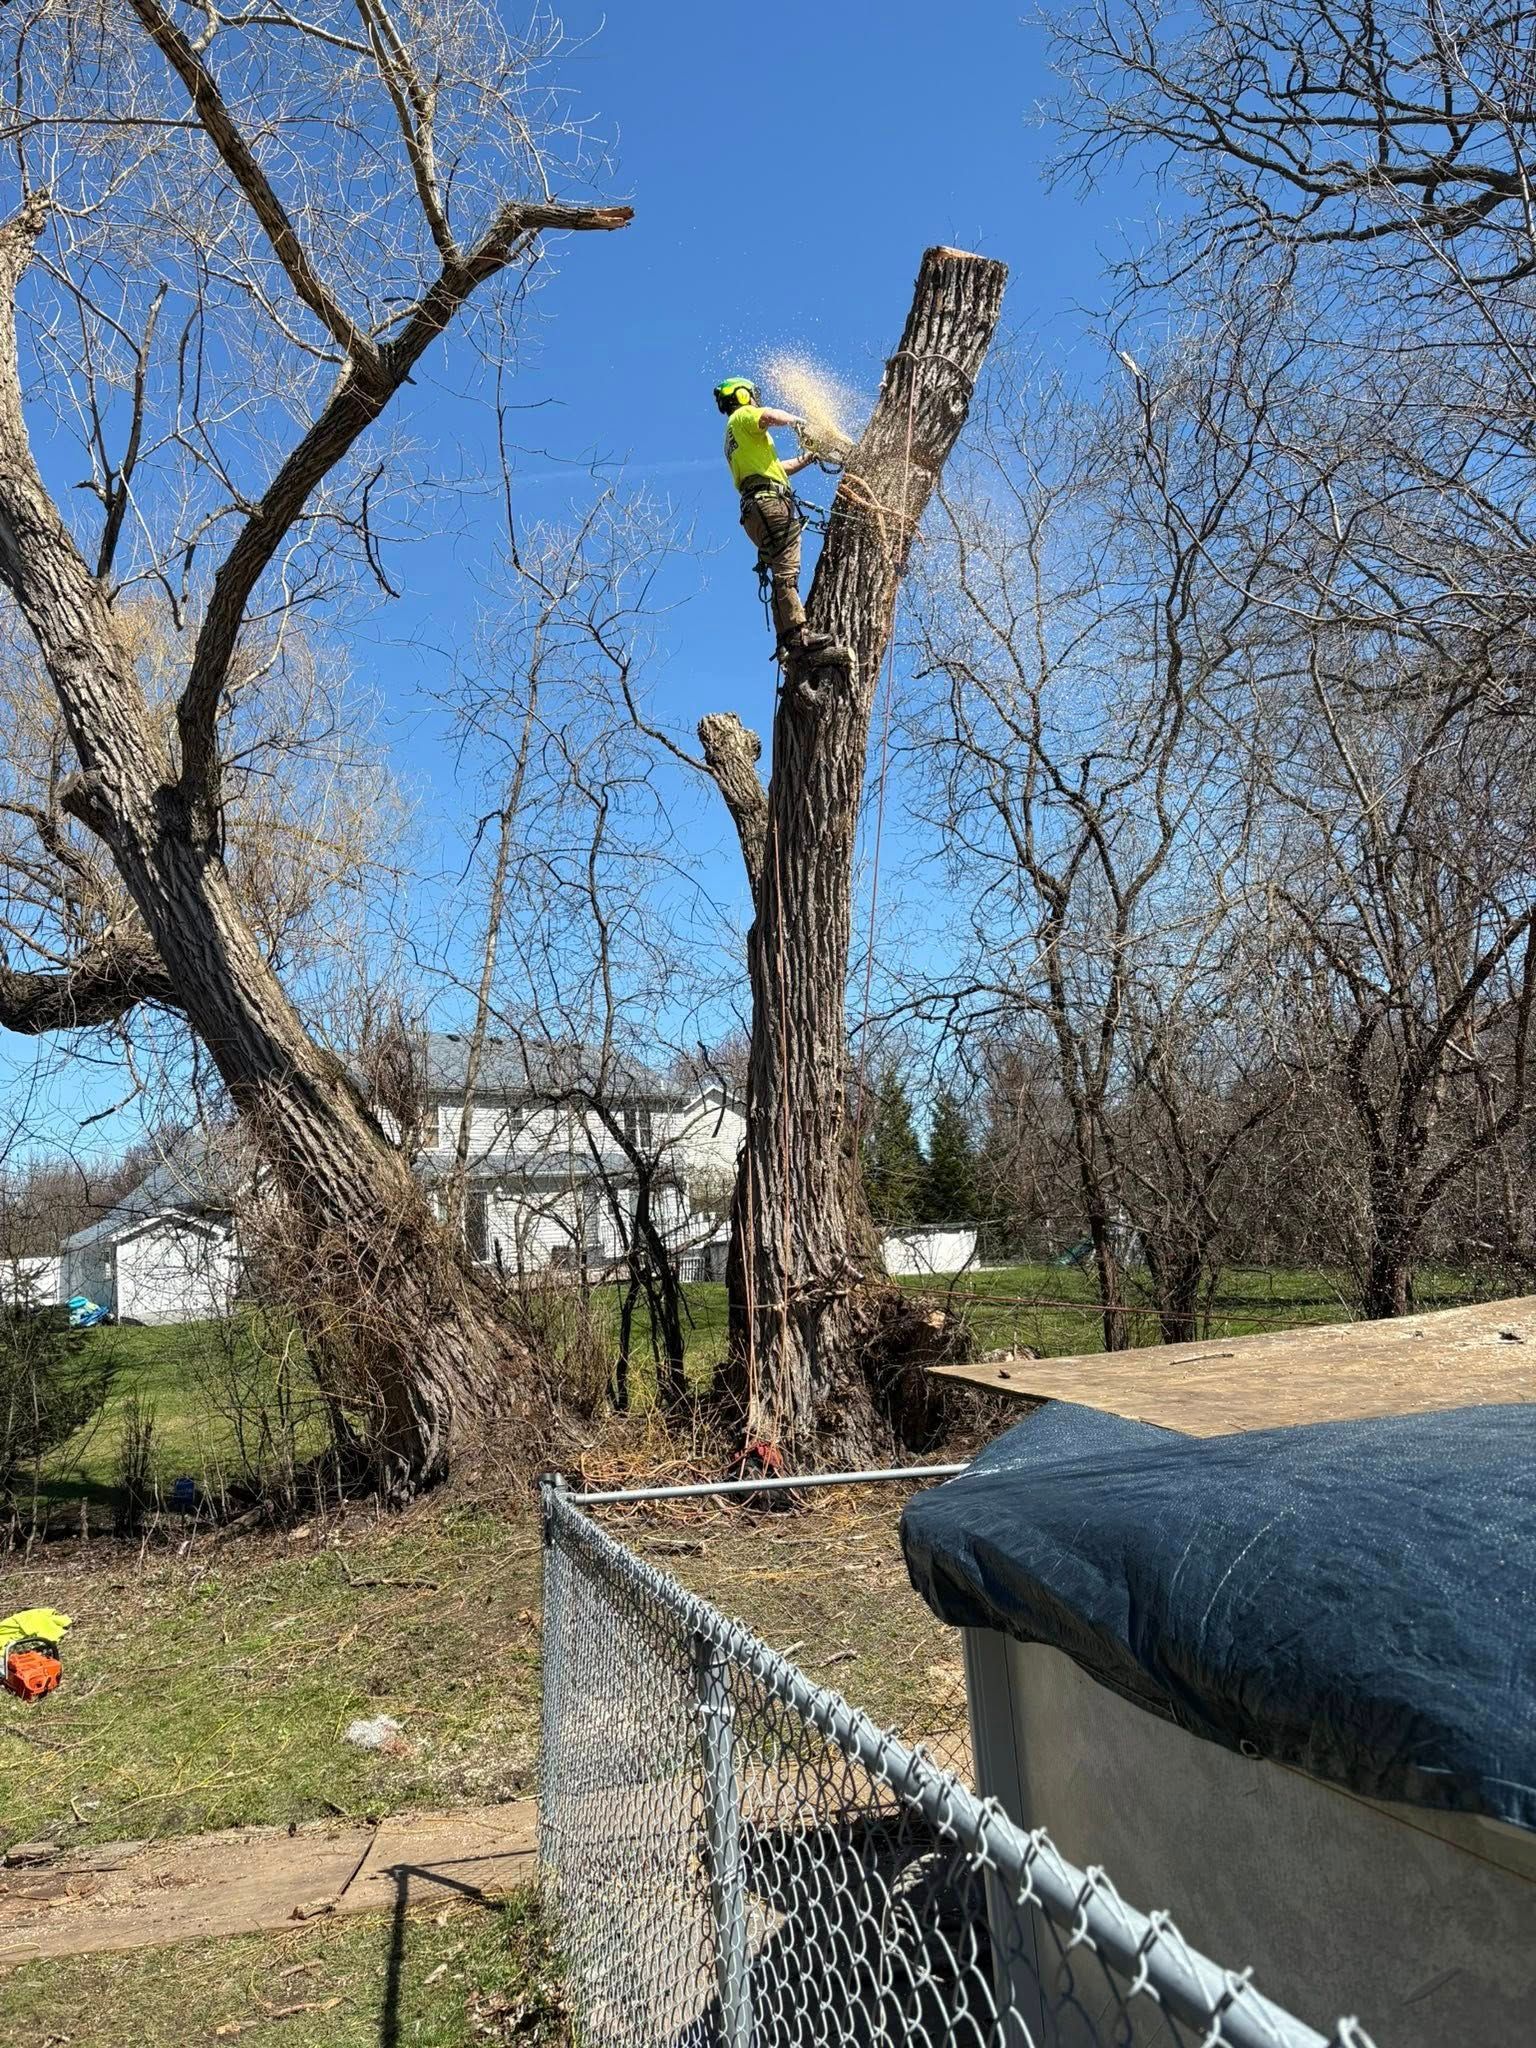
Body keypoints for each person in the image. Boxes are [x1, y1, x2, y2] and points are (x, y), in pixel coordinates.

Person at [714, 377, 838, 660]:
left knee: (779, 570)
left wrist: (809, 457)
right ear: (743, 396)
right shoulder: (744, 415)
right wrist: (799, 422)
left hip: (754, 510)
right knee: (786, 571)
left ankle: (785, 641)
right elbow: (769, 415)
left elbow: (776, 467)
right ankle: (799, 634)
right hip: (769, 504)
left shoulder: (733, 435)